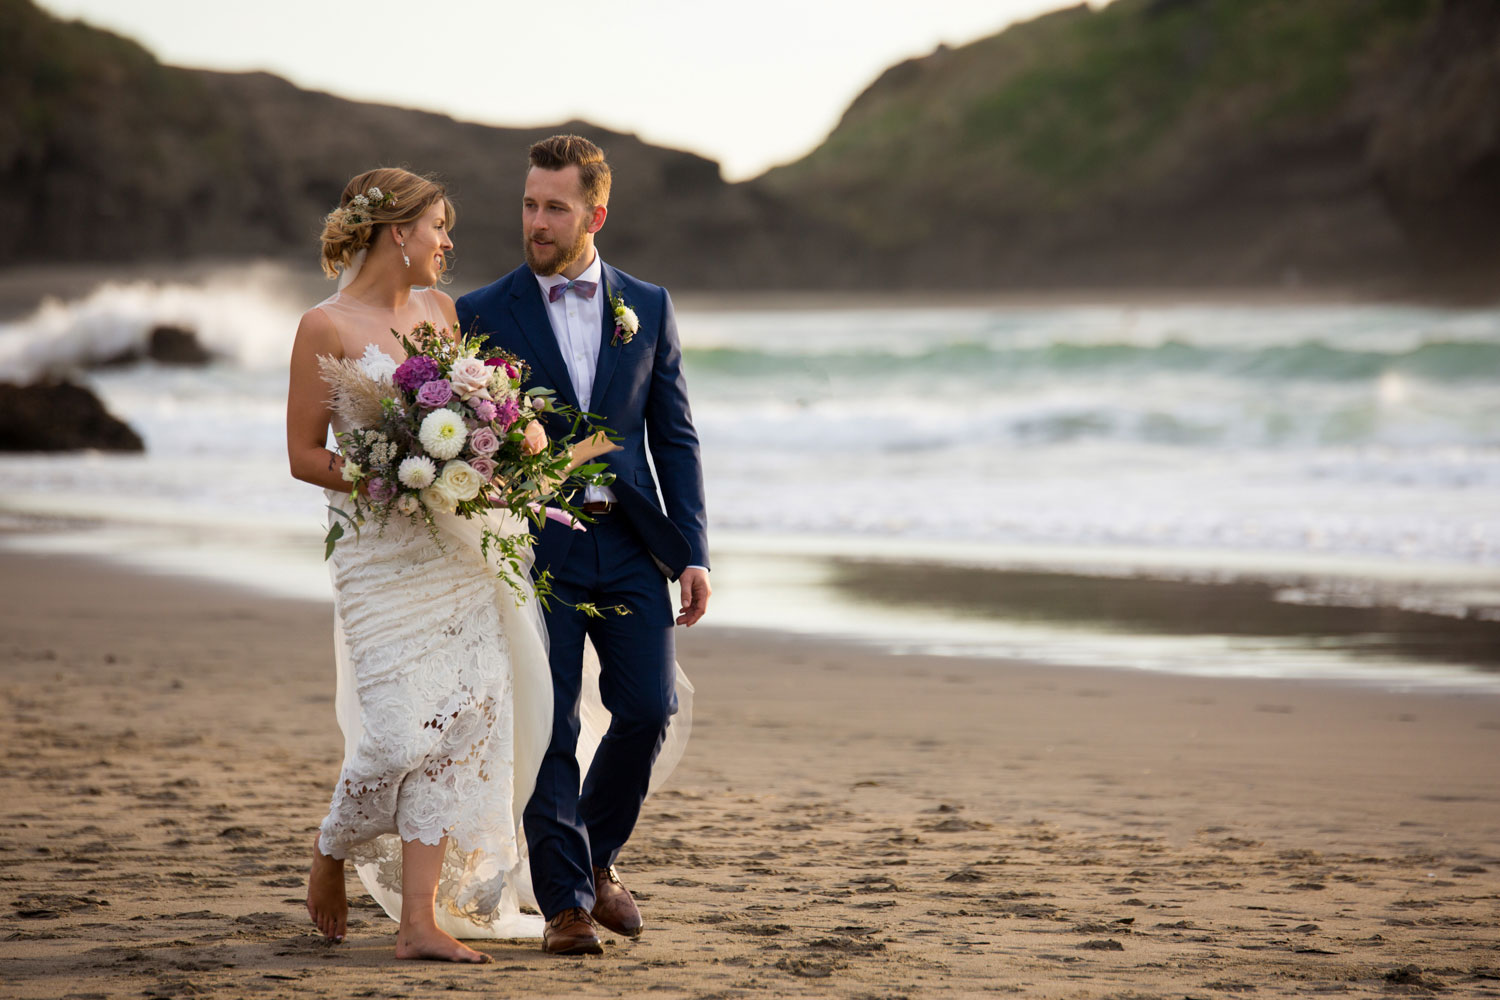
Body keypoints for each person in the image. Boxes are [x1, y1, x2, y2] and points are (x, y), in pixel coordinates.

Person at [286, 167, 556, 963]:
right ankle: (331, 850)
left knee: (464, 720)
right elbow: (304, 455)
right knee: (400, 731)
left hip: (453, 547)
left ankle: (418, 922)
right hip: (377, 550)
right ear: (397, 232)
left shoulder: (441, 312)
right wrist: (392, 473)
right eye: (438, 227)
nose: (448, 242)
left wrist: (506, 440)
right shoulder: (323, 326)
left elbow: (471, 415)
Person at [456, 135, 711, 956]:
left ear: (595, 213)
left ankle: (595, 857)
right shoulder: (484, 313)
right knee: (552, 721)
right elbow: (473, 442)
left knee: (647, 709)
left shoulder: (651, 305)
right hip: (538, 545)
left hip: (633, 541)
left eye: (555, 206)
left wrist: (694, 549)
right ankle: (565, 903)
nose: (536, 220)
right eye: (530, 203)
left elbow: (674, 438)